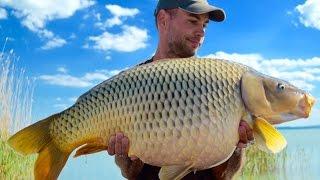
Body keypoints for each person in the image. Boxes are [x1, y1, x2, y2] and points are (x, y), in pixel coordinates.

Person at [107, 0, 254, 179]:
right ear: (163, 20)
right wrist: (123, 156)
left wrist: (237, 146)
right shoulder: (128, 85)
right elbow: (131, 174)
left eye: (205, 24)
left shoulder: (217, 83)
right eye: (193, 21)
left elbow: (225, 176)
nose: (201, 32)